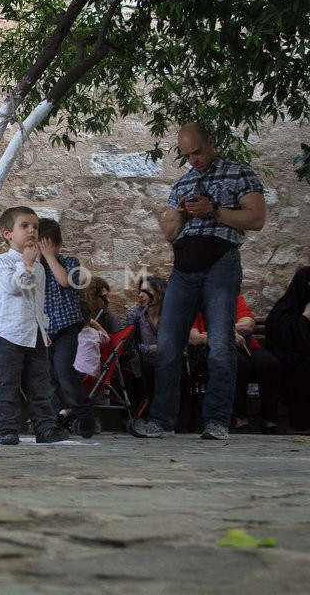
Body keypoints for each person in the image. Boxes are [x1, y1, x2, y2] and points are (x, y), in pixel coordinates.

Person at [130, 122, 266, 440]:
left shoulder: (238, 173)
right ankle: (162, 421)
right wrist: (180, 214)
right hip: (184, 265)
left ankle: (217, 421)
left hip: (221, 261)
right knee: (168, 345)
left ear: (212, 142)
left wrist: (214, 211)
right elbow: (169, 234)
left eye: (198, 152)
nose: (194, 160)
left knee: (220, 344)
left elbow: (256, 218)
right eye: (187, 155)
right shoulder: (183, 183)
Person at [0, 206, 69, 445]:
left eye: (35, 227)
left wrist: (42, 329)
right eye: (24, 226)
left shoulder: (39, 267)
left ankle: (45, 428)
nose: (32, 231)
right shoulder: (3, 261)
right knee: (9, 385)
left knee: (40, 385)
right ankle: (8, 428)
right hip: (9, 334)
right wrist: (25, 264)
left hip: (34, 334)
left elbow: (38, 301)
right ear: (8, 233)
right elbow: (15, 287)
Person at [188, 295, 282, 434]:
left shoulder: (234, 299)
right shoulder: (195, 305)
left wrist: (225, 330)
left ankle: (270, 419)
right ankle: (241, 419)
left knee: (268, 363)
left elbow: (248, 325)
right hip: (216, 350)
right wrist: (225, 334)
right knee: (238, 364)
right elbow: (194, 338)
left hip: (246, 346)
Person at [38, 218, 97, 438]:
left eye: (47, 246)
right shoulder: (34, 269)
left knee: (64, 371)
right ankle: (53, 421)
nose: (42, 251)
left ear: (58, 245)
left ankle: (84, 415)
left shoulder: (70, 262)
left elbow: (65, 282)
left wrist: (51, 257)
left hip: (66, 329)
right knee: (48, 377)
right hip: (44, 331)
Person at [266, 266, 310, 433]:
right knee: (303, 369)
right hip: (289, 360)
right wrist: (305, 317)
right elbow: (285, 342)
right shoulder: (285, 310)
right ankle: (301, 422)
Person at [124, 275, 167, 410]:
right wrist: (153, 348)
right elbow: (131, 346)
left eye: (147, 291)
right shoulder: (135, 316)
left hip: (166, 360)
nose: (141, 295)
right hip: (143, 361)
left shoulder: (169, 316)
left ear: (160, 293)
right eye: (140, 291)